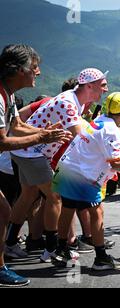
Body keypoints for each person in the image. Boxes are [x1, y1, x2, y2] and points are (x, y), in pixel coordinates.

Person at [7, 68, 108, 263]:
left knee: (28, 195)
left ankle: (10, 242)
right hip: (32, 152)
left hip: (27, 150)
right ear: (89, 86)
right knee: (56, 195)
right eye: (102, 85)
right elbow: (82, 136)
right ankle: (52, 248)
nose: (105, 90)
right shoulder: (69, 103)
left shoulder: (73, 99)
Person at [52, 92, 120, 270]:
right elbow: (115, 161)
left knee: (68, 208)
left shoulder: (99, 120)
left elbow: (98, 140)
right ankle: (101, 258)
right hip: (83, 174)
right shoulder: (111, 129)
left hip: (67, 166)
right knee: (97, 212)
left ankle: (60, 249)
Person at [0, 44, 69, 287]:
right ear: (19, 69)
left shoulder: (7, 93)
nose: (38, 72)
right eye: (35, 67)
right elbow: (2, 141)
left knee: (5, 211)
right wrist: (42, 137)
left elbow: (17, 125)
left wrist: (43, 132)